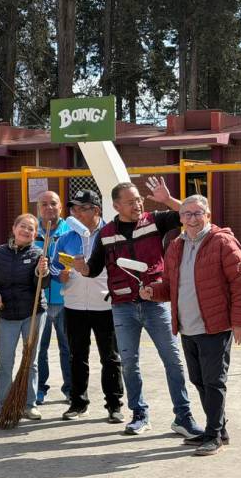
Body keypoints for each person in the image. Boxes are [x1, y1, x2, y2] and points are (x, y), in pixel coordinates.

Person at [73, 178, 202, 437]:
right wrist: (81, 268)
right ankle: (139, 415)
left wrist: (167, 199)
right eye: (131, 202)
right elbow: (93, 269)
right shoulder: (106, 234)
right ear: (116, 206)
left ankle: (183, 417)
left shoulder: (155, 220)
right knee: (129, 363)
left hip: (155, 304)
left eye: (139, 199)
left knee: (173, 361)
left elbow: (188, 215)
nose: (138, 205)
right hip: (122, 307)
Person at [140, 194, 241, 456]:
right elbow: (170, 286)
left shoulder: (222, 242)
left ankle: (213, 435)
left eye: (198, 213)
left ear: (208, 215)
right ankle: (219, 428)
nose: (192, 218)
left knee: (214, 382)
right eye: (187, 214)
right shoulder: (175, 246)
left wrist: (239, 322)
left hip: (215, 326)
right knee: (198, 379)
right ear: (180, 218)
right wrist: (153, 292)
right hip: (187, 327)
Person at [50, 191, 124, 423]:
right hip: (73, 305)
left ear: (96, 210)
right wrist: (59, 274)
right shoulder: (65, 238)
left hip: (105, 305)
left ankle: (114, 405)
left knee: (110, 358)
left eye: (82, 208)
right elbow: (54, 266)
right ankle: (78, 403)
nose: (76, 213)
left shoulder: (111, 234)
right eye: (74, 209)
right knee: (77, 356)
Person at [0, 213, 50, 421]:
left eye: (31, 229)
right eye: (23, 226)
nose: (26, 231)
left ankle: (29, 404)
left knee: (31, 360)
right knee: (5, 362)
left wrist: (42, 272)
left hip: (33, 313)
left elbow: (44, 284)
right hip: (7, 315)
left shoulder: (39, 254)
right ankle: (2, 405)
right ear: (14, 228)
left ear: (35, 234)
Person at [34, 191, 72, 405]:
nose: (49, 207)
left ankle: (71, 389)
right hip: (39, 302)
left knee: (69, 348)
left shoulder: (71, 232)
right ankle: (39, 388)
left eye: (53, 203)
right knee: (39, 350)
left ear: (61, 207)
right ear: (38, 208)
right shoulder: (31, 231)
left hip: (67, 301)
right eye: (44, 204)